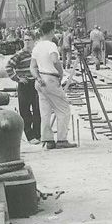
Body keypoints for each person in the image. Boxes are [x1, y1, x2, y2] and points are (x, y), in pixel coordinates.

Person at [31, 21, 73, 149]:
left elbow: (32, 67)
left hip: (40, 81)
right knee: (63, 109)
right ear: (50, 32)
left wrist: (38, 78)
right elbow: (55, 60)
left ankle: (48, 140)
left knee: (45, 112)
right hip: (51, 79)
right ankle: (61, 140)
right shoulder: (51, 45)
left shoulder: (36, 46)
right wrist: (61, 73)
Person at [7, 34, 40, 142]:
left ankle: (38, 134)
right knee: (25, 111)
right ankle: (30, 136)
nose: (26, 42)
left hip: (35, 84)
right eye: (25, 40)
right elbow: (8, 66)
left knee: (37, 110)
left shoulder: (36, 53)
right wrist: (17, 79)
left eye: (29, 40)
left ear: (34, 41)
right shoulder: (19, 54)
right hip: (24, 85)